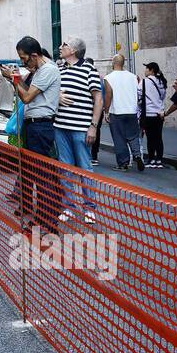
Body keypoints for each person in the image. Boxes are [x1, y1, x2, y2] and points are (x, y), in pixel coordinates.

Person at [0, 37, 62, 228]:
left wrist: (13, 78)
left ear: (34, 55)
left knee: (42, 177)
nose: (23, 62)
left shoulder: (48, 70)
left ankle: (47, 221)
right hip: (33, 126)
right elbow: (26, 92)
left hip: (41, 127)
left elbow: (26, 97)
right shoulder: (40, 71)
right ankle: (42, 218)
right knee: (36, 174)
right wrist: (14, 80)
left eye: (24, 58)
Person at [54, 37, 102, 224]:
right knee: (65, 169)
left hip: (81, 128)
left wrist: (94, 126)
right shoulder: (59, 69)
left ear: (73, 50)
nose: (60, 47)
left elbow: (98, 99)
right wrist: (57, 95)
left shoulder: (89, 69)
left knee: (85, 168)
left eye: (64, 44)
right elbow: (51, 90)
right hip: (60, 127)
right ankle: (69, 207)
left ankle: (89, 208)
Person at [104, 54, 145, 171]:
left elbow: (108, 96)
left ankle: (123, 163)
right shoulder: (133, 77)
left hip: (117, 111)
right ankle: (137, 154)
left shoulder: (109, 77)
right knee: (133, 136)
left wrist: (106, 112)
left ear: (113, 62)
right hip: (131, 110)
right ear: (123, 63)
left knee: (119, 138)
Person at [140, 63, 168, 168]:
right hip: (159, 114)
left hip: (148, 113)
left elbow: (139, 94)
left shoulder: (144, 82)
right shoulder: (161, 81)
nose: (145, 70)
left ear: (151, 70)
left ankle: (151, 159)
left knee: (150, 138)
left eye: (146, 68)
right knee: (158, 137)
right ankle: (159, 160)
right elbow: (163, 96)